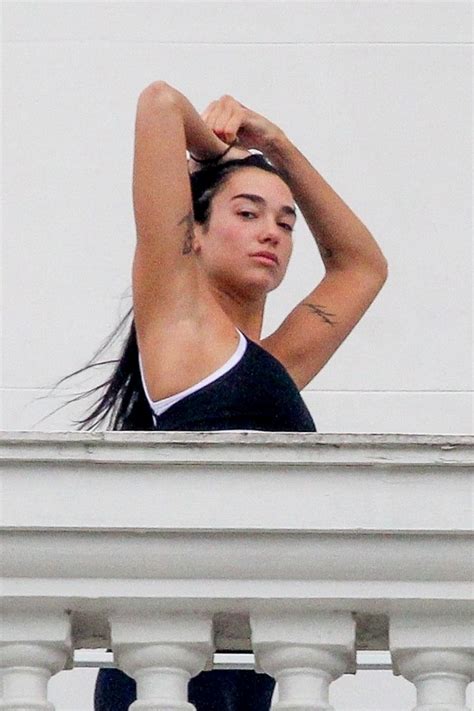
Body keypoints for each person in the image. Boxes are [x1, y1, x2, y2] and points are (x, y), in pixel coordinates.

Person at [58, 81, 388, 710]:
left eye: (284, 222)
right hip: (168, 664)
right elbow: (158, 104)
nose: (272, 232)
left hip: (251, 657)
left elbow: (361, 267)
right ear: (196, 235)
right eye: (246, 212)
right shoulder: (179, 328)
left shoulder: (274, 367)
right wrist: (220, 153)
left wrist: (279, 148)